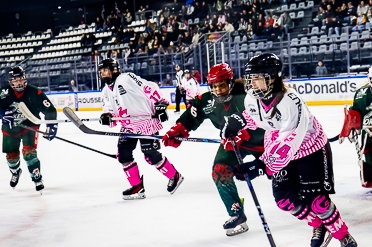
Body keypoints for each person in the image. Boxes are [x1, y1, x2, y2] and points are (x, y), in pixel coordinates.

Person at [219, 53, 358, 247]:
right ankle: (318, 224)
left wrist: (261, 165)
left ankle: (342, 234)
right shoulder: (252, 98)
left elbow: (290, 140)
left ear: (272, 77)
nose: (251, 83)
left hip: (310, 148)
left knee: (318, 202)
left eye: (257, 77)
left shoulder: (291, 101)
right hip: (279, 149)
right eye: (251, 78)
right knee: (285, 200)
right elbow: (253, 116)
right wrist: (237, 124)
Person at [162, 63, 265, 236]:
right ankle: (236, 213)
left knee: (283, 171)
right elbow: (190, 117)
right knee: (220, 170)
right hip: (232, 144)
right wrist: (177, 131)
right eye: (214, 86)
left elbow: (264, 120)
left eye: (222, 85)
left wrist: (244, 132)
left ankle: (309, 200)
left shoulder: (247, 96)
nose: (218, 90)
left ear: (230, 82)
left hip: (262, 142)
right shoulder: (206, 101)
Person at [98, 58, 183, 200]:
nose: (103, 74)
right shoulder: (106, 91)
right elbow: (110, 110)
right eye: (101, 72)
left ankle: (174, 175)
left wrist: (160, 104)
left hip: (145, 122)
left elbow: (149, 87)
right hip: (128, 126)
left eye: (106, 70)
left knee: (150, 155)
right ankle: (137, 187)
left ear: (114, 69)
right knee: (123, 155)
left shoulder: (126, 78)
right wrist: (107, 116)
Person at [0, 66, 57, 193]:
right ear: (10, 81)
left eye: (21, 79)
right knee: (11, 157)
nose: (19, 82)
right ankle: (15, 172)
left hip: (30, 127)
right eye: (15, 80)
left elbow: (50, 110)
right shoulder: (3, 93)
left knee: (29, 153)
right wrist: (1, 113)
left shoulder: (35, 93)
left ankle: (37, 178)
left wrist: (51, 126)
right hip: (9, 129)